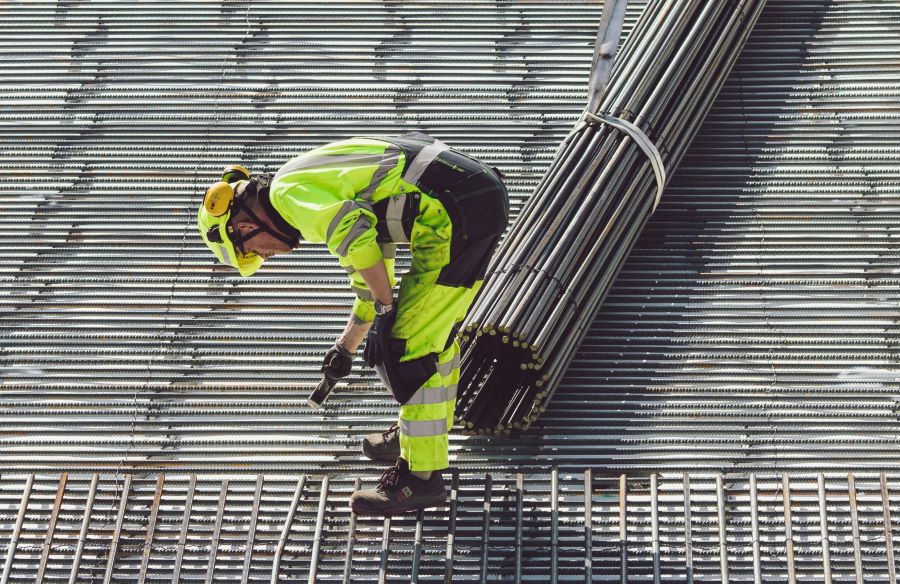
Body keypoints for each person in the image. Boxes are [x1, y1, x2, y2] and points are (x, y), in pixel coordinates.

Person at [197, 132, 509, 516]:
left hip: (456, 210)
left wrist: (385, 311)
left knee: (407, 347)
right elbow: (372, 264)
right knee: (430, 338)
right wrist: (347, 345)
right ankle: (418, 438)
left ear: (243, 227)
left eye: (254, 251)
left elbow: (356, 241)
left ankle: (420, 480)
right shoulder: (302, 184)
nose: (267, 255)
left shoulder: (288, 197)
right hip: (467, 203)